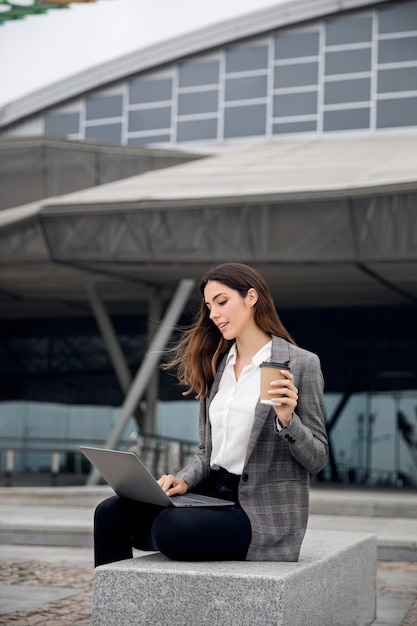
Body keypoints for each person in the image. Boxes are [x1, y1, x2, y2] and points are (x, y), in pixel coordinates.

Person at [94, 262, 328, 566]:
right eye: (208, 306)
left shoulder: (300, 364)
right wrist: (184, 480)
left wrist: (287, 419)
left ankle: (164, 531)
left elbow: (318, 458)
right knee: (110, 513)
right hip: (210, 492)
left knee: (170, 529)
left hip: (259, 510)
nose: (213, 314)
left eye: (222, 302)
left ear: (251, 298)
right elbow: (207, 453)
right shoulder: (217, 365)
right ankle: (114, 611)